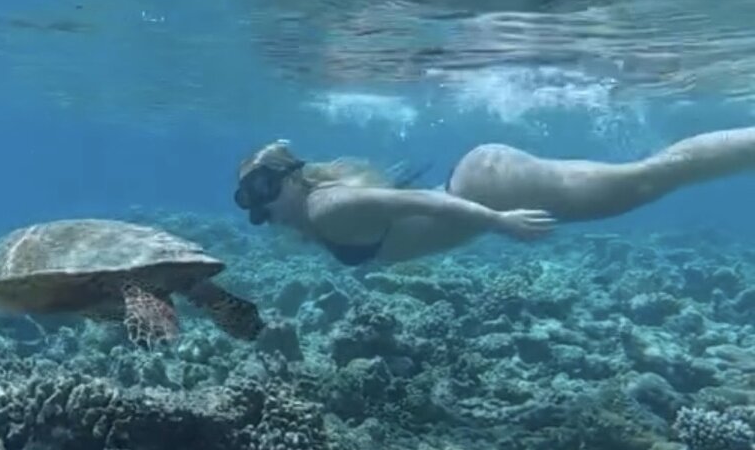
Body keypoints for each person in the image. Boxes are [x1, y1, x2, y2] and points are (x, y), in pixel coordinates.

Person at [233, 128, 755, 265]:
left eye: (263, 189)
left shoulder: (326, 207)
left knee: (647, 178)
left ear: (292, 178)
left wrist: (499, 221)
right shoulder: (321, 206)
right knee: (645, 176)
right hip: (484, 177)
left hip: (492, 186)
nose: (262, 209)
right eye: (252, 203)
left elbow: (423, 205)